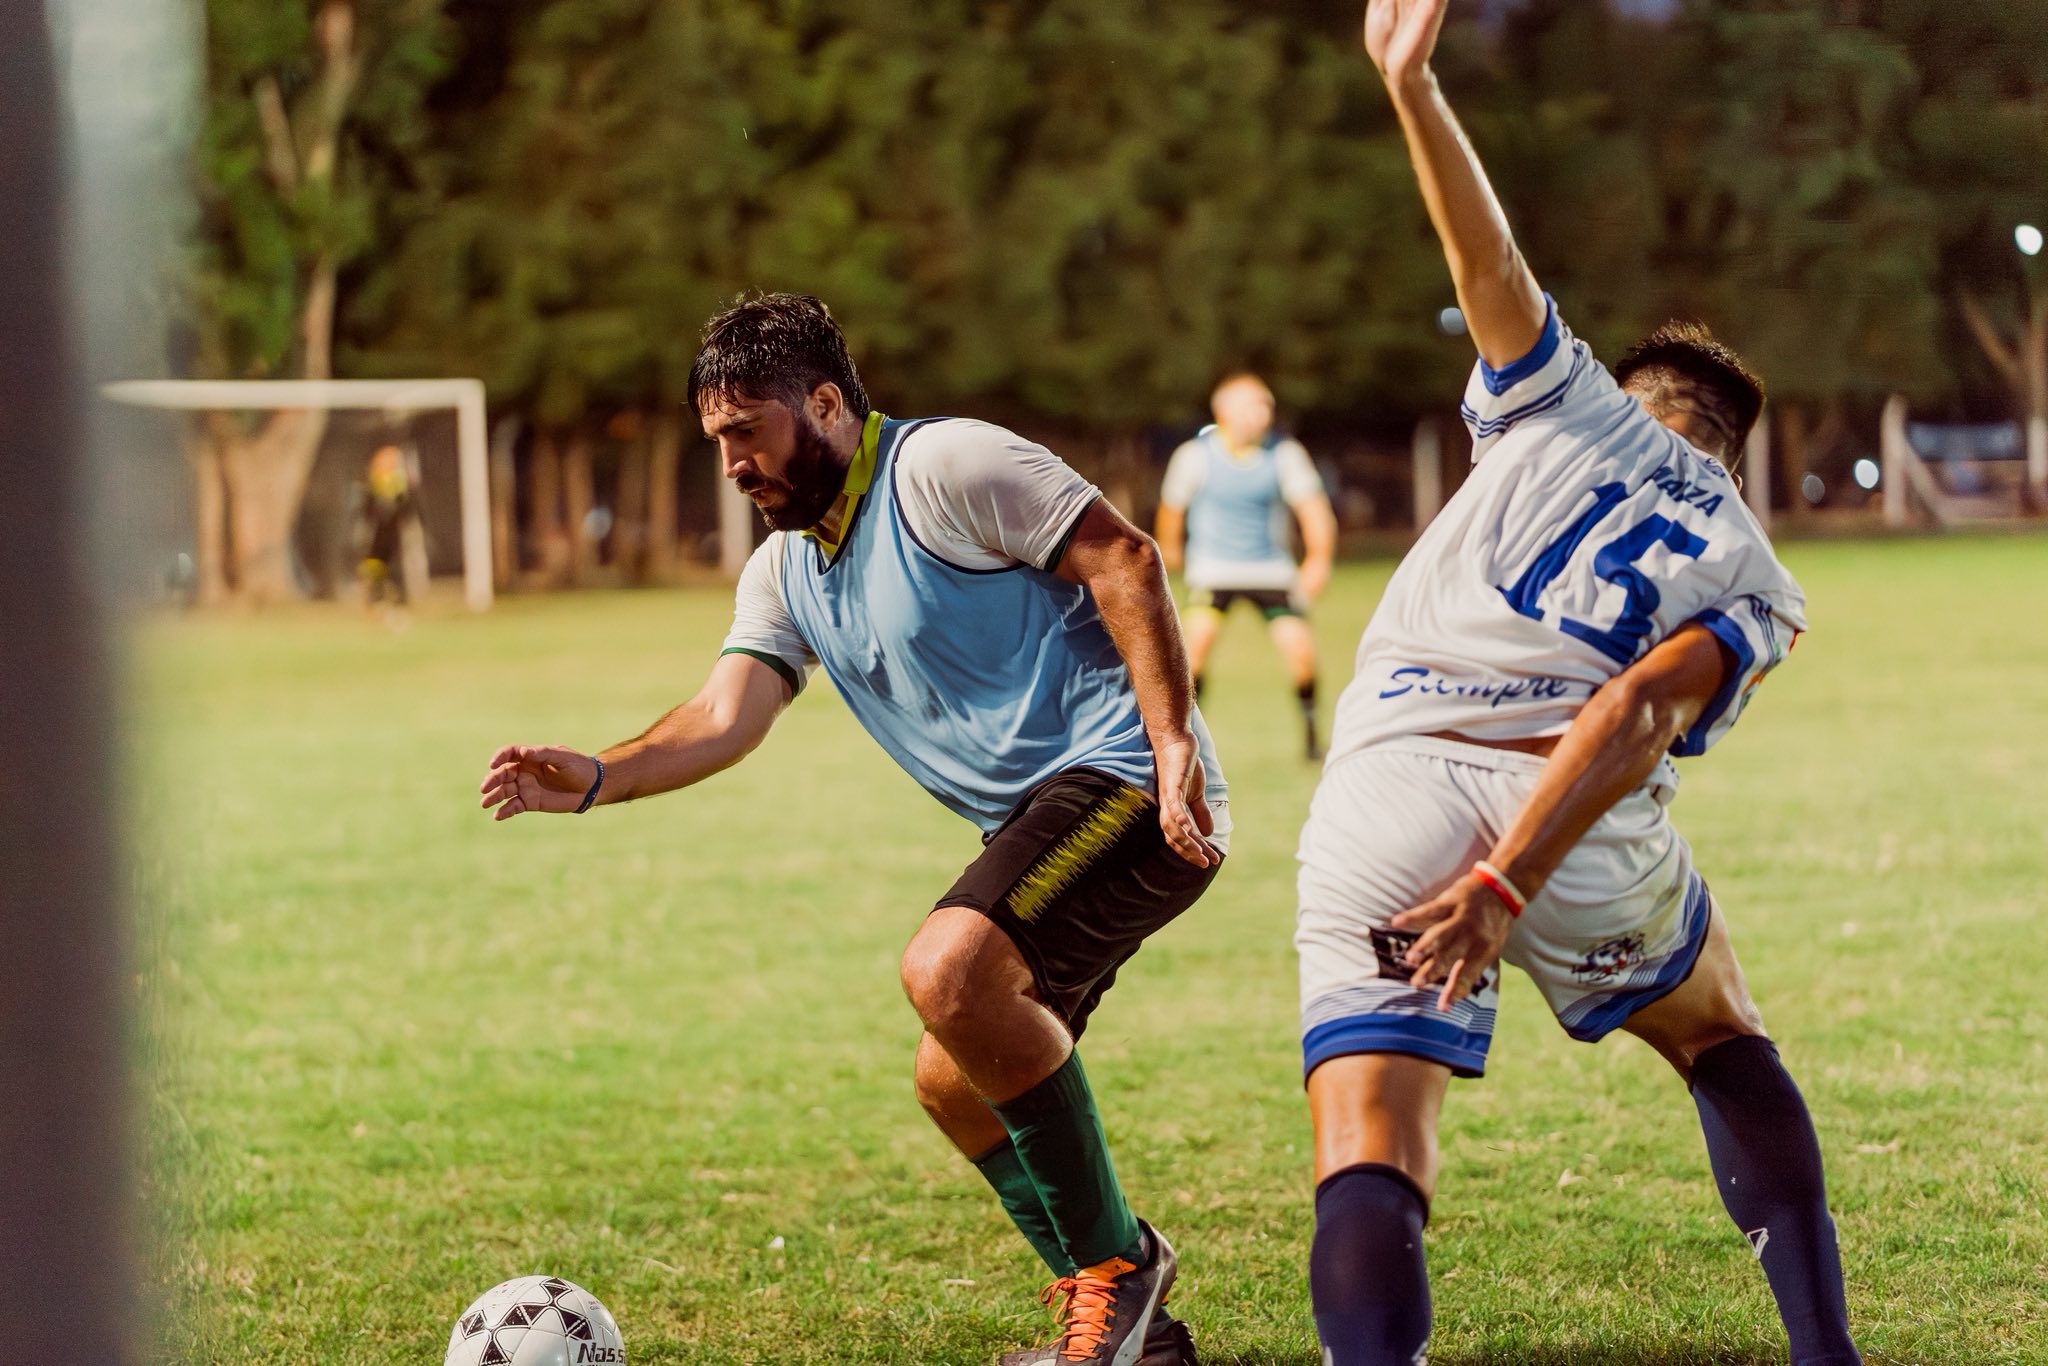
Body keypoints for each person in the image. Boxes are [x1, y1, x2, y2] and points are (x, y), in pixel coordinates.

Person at [479, 294, 1224, 1366]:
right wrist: (597, 773)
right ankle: (1127, 1332)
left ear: (823, 404)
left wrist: (1170, 744)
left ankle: (1119, 1271)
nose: (732, 464)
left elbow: (1126, 560)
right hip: (1036, 820)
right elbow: (721, 715)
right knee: (947, 1079)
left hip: (1127, 783)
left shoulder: (947, 467)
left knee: (949, 965)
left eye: (748, 432)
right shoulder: (788, 569)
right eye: (716, 443)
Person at [1291, 3, 1860, 1362]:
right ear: (1732, 449)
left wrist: (1410, 81)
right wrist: (1510, 879)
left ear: (1634, 389)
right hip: (1579, 806)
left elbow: (1481, 248)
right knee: (1719, 1027)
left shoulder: (1558, 399)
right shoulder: (1754, 570)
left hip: (1386, 781)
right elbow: (1640, 708)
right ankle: (1825, 1352)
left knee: (1374, 1136)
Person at [1155, 375, 1338, 758]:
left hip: (1270, 569)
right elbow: (1171, 511)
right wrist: (1171, 555)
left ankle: (1310, 739)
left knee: (1300, 651)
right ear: (1224, 412)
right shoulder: (1194, 456)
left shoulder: (1285, 454)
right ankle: (1188, 741)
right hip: (1213, 570)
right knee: (1195, 649)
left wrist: (1318, 559)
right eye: (1254, 405)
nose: (1263, 413)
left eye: (1267, 405)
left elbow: (1314, 511)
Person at [354, 443, 420, 609]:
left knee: (396, 566)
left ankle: (400, 598)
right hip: (376, 535)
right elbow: (367, 508)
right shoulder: (374, 479)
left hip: (393, 532)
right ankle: (375, 598)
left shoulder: (398, 479)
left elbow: (405, 505)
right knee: (375, 566)